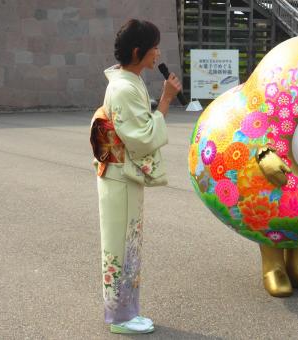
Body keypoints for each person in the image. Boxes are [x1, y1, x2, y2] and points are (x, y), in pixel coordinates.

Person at [91, 19, 181, 334]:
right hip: (120, 176)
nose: (158, 53)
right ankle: (120, 317)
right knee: (120, 245)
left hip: (119, 173)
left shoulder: (129, 80)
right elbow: (141, 137)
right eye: (154, 47)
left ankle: (126, 311)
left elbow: (138, 125)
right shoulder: (124, 87)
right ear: (137, 51)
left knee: (126, 243)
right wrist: (167, 99)